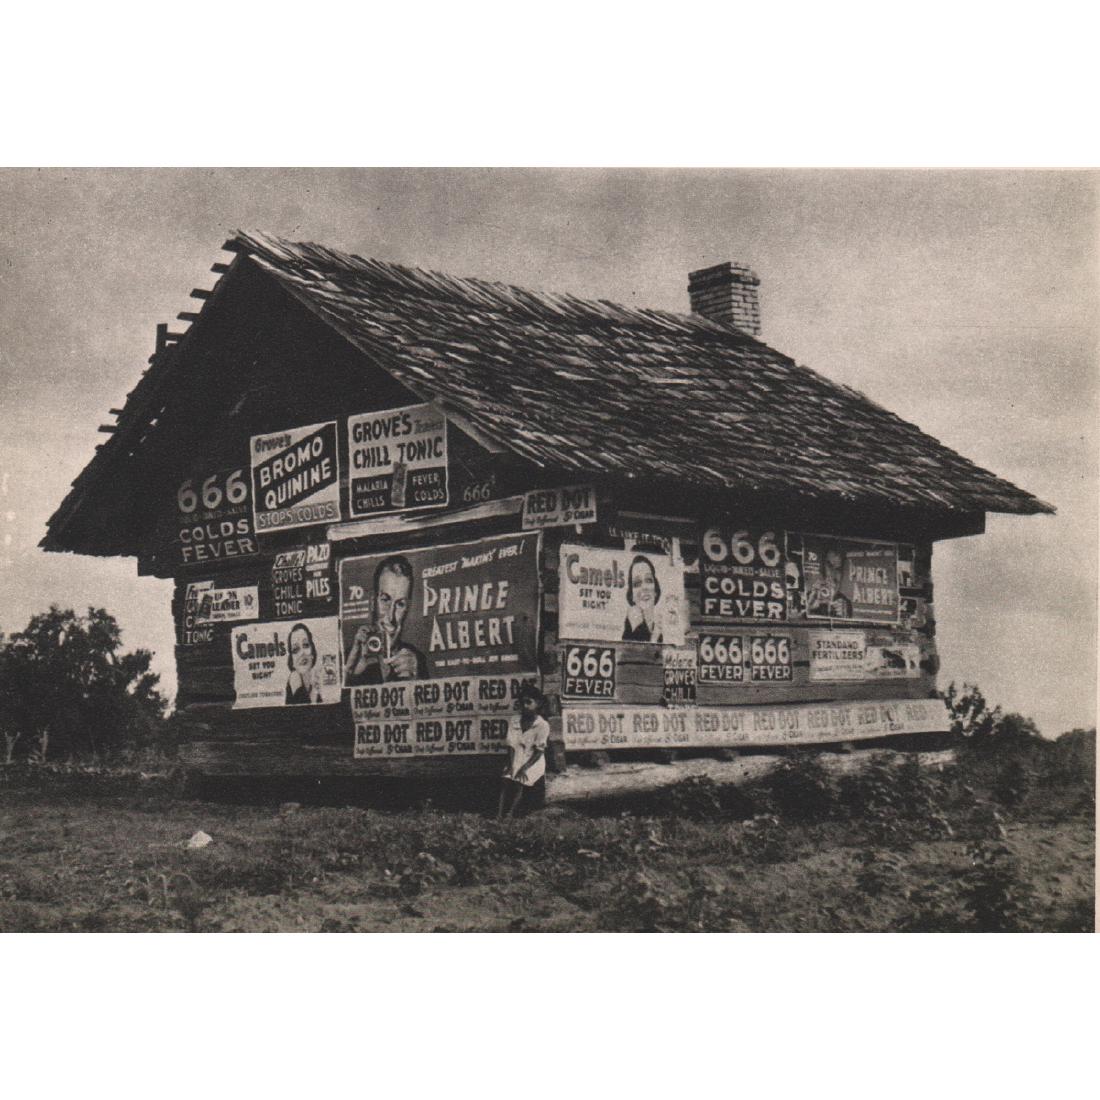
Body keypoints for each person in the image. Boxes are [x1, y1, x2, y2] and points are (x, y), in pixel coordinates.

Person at [344, 554, 429, 685]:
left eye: (400, 604)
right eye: (385, 600)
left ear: (407, 608)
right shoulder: (351, 656)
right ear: (373, 603)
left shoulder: (415, 660)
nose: (390, 616)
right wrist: (350, 673)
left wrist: (417, 680)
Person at [497, 683, 550, 820]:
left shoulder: (542, 725)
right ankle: (499, 815)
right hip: (517, 757)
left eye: (529, 702)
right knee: (506, 780)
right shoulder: (514, 721)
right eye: (523, 702)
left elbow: (539, 751)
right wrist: (510, 766)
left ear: (537, 703)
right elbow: (511, 746)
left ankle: (510, 815)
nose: (525, 706)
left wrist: (524, 768)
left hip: (533, 761)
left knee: (520, 781)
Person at [622, 554, 663, 642]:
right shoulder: (632, 624)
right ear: (632, 595)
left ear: (655, 590)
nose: (644, 587)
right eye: (637, 583)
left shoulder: (660, 624)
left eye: (648, 580)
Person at [806, 546, 854, 618]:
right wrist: (808, 609)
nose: (833, 574)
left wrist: (845, 615)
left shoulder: (845, 604)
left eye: (838, 569)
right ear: (823, 569)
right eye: (830, 566)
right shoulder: (811, 596)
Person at [285, 622, 323, 704]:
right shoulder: (294, 677)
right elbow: (304, 713)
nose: (302, 653)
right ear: (292, 661)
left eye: (306, 645)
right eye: (295, 649)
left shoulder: (314, 680)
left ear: (312, 652)